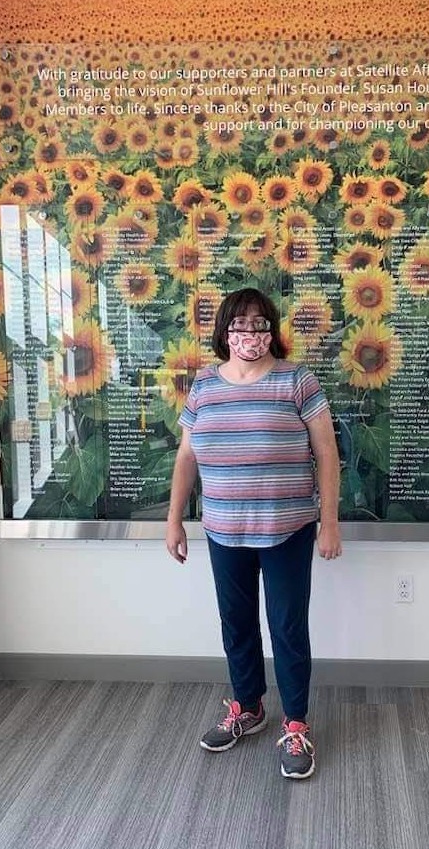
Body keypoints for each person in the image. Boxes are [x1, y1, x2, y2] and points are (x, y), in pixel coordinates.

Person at [165, 287, 342, 780]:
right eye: (240, 325)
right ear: (224, 332)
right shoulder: (202, 385)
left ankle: (297, 724)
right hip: (223, 531)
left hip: (287, 529)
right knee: (236, 623)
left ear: (273, 331)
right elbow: (187, 456)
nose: (250, 333)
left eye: (260, 323)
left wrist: (329, 522)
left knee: (288, 629)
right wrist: (174, 517)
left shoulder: (296, 380)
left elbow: (326, 453)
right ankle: (247, 707)